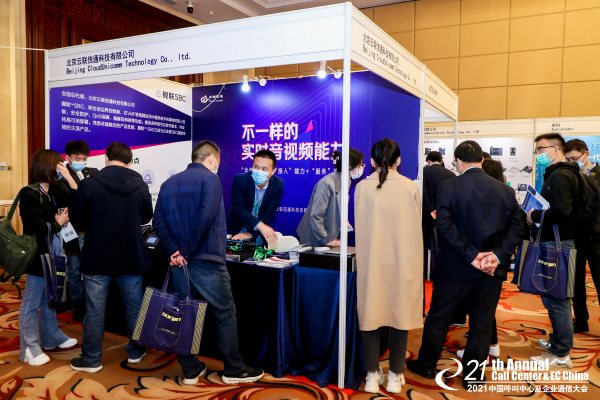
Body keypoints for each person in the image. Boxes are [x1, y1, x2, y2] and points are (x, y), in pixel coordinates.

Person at [407, 141, 522, 389]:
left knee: (439, 317)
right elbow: (516, 227)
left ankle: (427, 365)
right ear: (481, 160)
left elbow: (444, 226)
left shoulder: (449, 186)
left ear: (458, 162)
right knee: (482, 322)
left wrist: (472, 256)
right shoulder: (504, 189)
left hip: (455, 267)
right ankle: (473, 376)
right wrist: (496, 256)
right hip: (490, 270)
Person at [153, 140, 264, 385]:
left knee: (185, 314)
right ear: (213, 159)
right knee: (224, 313)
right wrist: (186, 252)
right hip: (207, 260)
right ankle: (233, 369)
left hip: (181, 263)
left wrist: (175, 251)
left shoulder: (168, 183)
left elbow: (157, 220)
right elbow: (205, 219)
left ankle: (191, 369)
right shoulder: (210, 180)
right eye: (218, 161)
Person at [69, 141, 153, 373]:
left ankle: (91, 360)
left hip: (97, 256)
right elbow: (147, 216)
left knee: (94, 311)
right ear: (129, 162)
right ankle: (136, 352)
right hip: (131, 256)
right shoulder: (140, 184)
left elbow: (77, 218)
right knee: (134, 308)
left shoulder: (89, 184)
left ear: (106, 158)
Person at [355, 139, 423, 394]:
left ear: (372, 161)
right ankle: (395, 375)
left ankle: (372, 376)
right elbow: (415, 224)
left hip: (372, 262)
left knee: (370, 316)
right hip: (402, 262)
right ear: (399, 160)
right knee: (399, 315)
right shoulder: (409, 187)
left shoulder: (362, 187)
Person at [18, 149, 78, 366]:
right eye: (57, 165)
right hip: (37, 255)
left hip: (53, 252)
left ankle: (51, 337)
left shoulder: (53, 190)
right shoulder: (29, 193)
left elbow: (77, 198)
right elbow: (37, 226)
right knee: (31, 302)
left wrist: (69, 177)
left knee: (49, 298)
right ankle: (29, 348)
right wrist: (57, 223)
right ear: (45, 166)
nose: (60, 168)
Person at [526, 133, 579, 368]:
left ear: (556, 149)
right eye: (537, 150)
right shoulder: (557, 174)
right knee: (553, 297)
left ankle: (561, 353)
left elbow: (561, 211)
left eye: (541, 149)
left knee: (557, 300)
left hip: (557, 244)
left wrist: (534, 215)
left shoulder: (560, 176)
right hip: (555, 242)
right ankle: (558, 341)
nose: (538, 154)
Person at [455, 158, 506, 359]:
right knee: (485, 309)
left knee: (482, 311)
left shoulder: (491, 195)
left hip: (481, 261)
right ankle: (490, 345)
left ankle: (483, 350)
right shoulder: (502, 193)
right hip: (493, 261)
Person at [565, 139, 600, 334]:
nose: (572, 162)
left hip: (596, 238)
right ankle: (580, 320)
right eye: (568, 159)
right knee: (576, 282)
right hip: (575, 237)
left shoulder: (598, 174)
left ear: (586, 154)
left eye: (574, 158)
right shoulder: (571, 176)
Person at [297, 148, 364, 247]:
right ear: (349, 166)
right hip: (315, 238)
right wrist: (325, 240)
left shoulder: (347, 181)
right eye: (360, 165)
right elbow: (316, 216)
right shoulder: (327, 183)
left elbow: (339, 206)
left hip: (331, 234)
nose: (361, 168)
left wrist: (342, 220)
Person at [62, 140, 99, 322]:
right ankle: (77, 303)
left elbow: (93, 198)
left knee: (93, 271)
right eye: (78, 158)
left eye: (84, 158)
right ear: (68, 158)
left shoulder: (94, 173)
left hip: (92, 230)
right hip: (71, 231)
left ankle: (91, 304)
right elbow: (70, 200)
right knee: (73, 271)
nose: (82, 162)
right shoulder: (60, 176)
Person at [226, 150, 284, 245]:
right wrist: (260, 226)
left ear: (273, 171)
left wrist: (252, 233)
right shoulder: (240, 180)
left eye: (264, 169)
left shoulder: (278, 184)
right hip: (237, 229)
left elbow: (269, 213)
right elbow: (238, 208)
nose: (259, 172)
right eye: (256, 167)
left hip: (258, 233)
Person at [422, 151, 456, 282]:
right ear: (441, 161)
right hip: (445, 215)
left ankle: (423, 273)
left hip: (427, 215)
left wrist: (431, 209)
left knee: (423, 244)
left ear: (429, 161)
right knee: (444, 244)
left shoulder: (425, 171)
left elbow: (424, 192)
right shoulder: (451, 174)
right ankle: (443, 273)